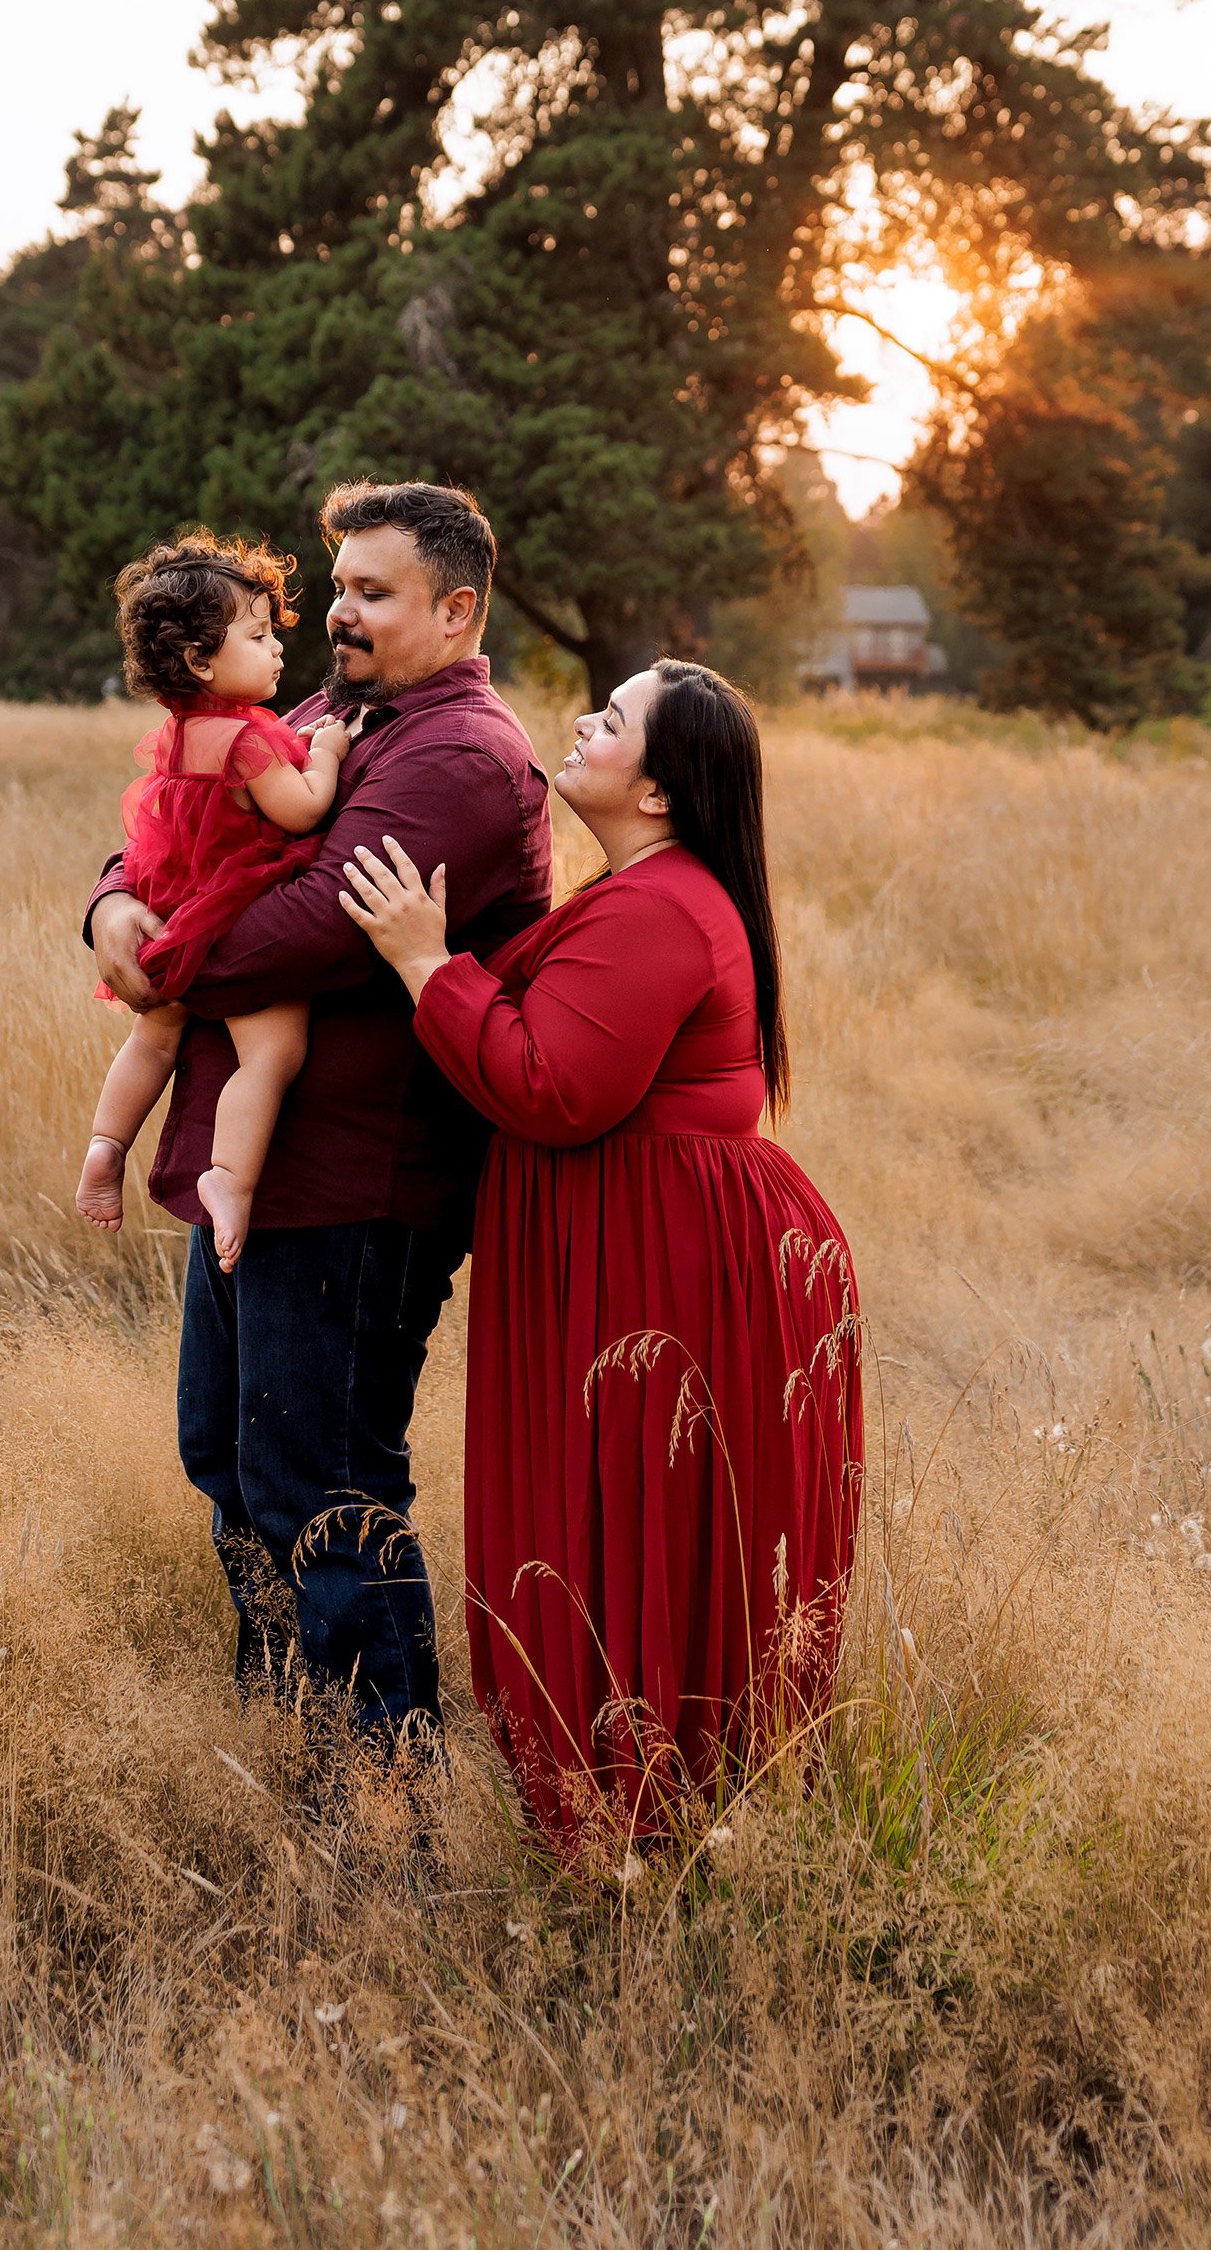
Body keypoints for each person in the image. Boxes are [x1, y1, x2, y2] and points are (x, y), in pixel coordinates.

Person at [340, 659, 862, 1848]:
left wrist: (426, 963)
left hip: (660, 1252)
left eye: (613, 718)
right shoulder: (650, 887)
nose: (582, 721)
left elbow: (551, 1084)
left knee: (636, 1510)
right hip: (649, 1234)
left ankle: (637, 1808)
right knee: (641, 1514)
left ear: (663, 790)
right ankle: (649, 1798)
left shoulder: (660, 906)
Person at [84, 481, 552, 1746]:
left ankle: (388, 1792)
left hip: (357, 1180)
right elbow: (175, 832)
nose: (335, 608)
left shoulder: (459, 756)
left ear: (455, 609)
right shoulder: (329, 709)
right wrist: (111, 911)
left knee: (326, 1485)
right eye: (335, 584)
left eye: (371, 591)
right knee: (229, 1464)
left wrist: (159, 962)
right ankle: (283, 1732)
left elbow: (304, 928)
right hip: (258, 1170)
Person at [75, 534, 353, 1271]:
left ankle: (106, 1145)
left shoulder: (177, 734)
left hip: (167, 904)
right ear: (200, 660)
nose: (277, 650)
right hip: (227, 907)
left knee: (152, 1040)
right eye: (258, 636)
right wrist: (324, 754)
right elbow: (300, 812)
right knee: (270, 1052)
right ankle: (228, 1177)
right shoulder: (249, 741)